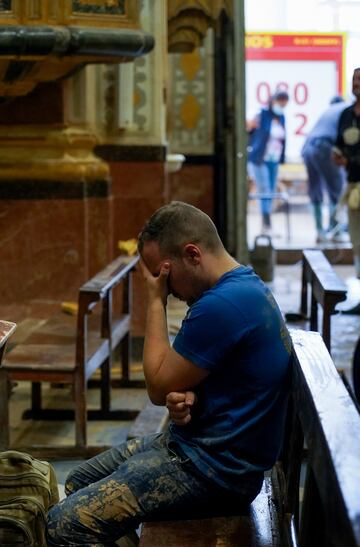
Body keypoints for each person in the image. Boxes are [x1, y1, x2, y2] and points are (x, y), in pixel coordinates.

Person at [46, 202, 292, 546]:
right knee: (77, 481)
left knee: (65, 524)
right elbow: (187, 383)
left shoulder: (222, 304)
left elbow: (157, 387)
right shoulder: (242, 288)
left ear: (192, 254)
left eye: (163, 274)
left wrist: (154, 302)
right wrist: (191, 397)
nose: (165, 285)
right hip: (197, 448)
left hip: (214, 472)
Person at [302, 96, 348, 243]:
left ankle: (320, 232)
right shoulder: (347, 110)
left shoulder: (329, 111)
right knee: (337, 190)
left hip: (307, 147)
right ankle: (336, 231)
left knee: (315, 190)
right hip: (324, 147)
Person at [334, 68, 360, 314]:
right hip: (353, 187)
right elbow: (339, 145)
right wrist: (338, 155)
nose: (357, 84)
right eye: (354, 80)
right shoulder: (346, 115)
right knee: (357, 240)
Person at [247, 90, 289, 232]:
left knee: (271, 190)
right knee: (264, 188)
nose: (282, 104)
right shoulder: (262, 114)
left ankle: (267, 222)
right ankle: (266, 222)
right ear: (273, 100)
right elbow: (250, 130)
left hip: (274, 159)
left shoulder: (282, 117)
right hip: (260, 158)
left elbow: (283, 138)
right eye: (280, 100)